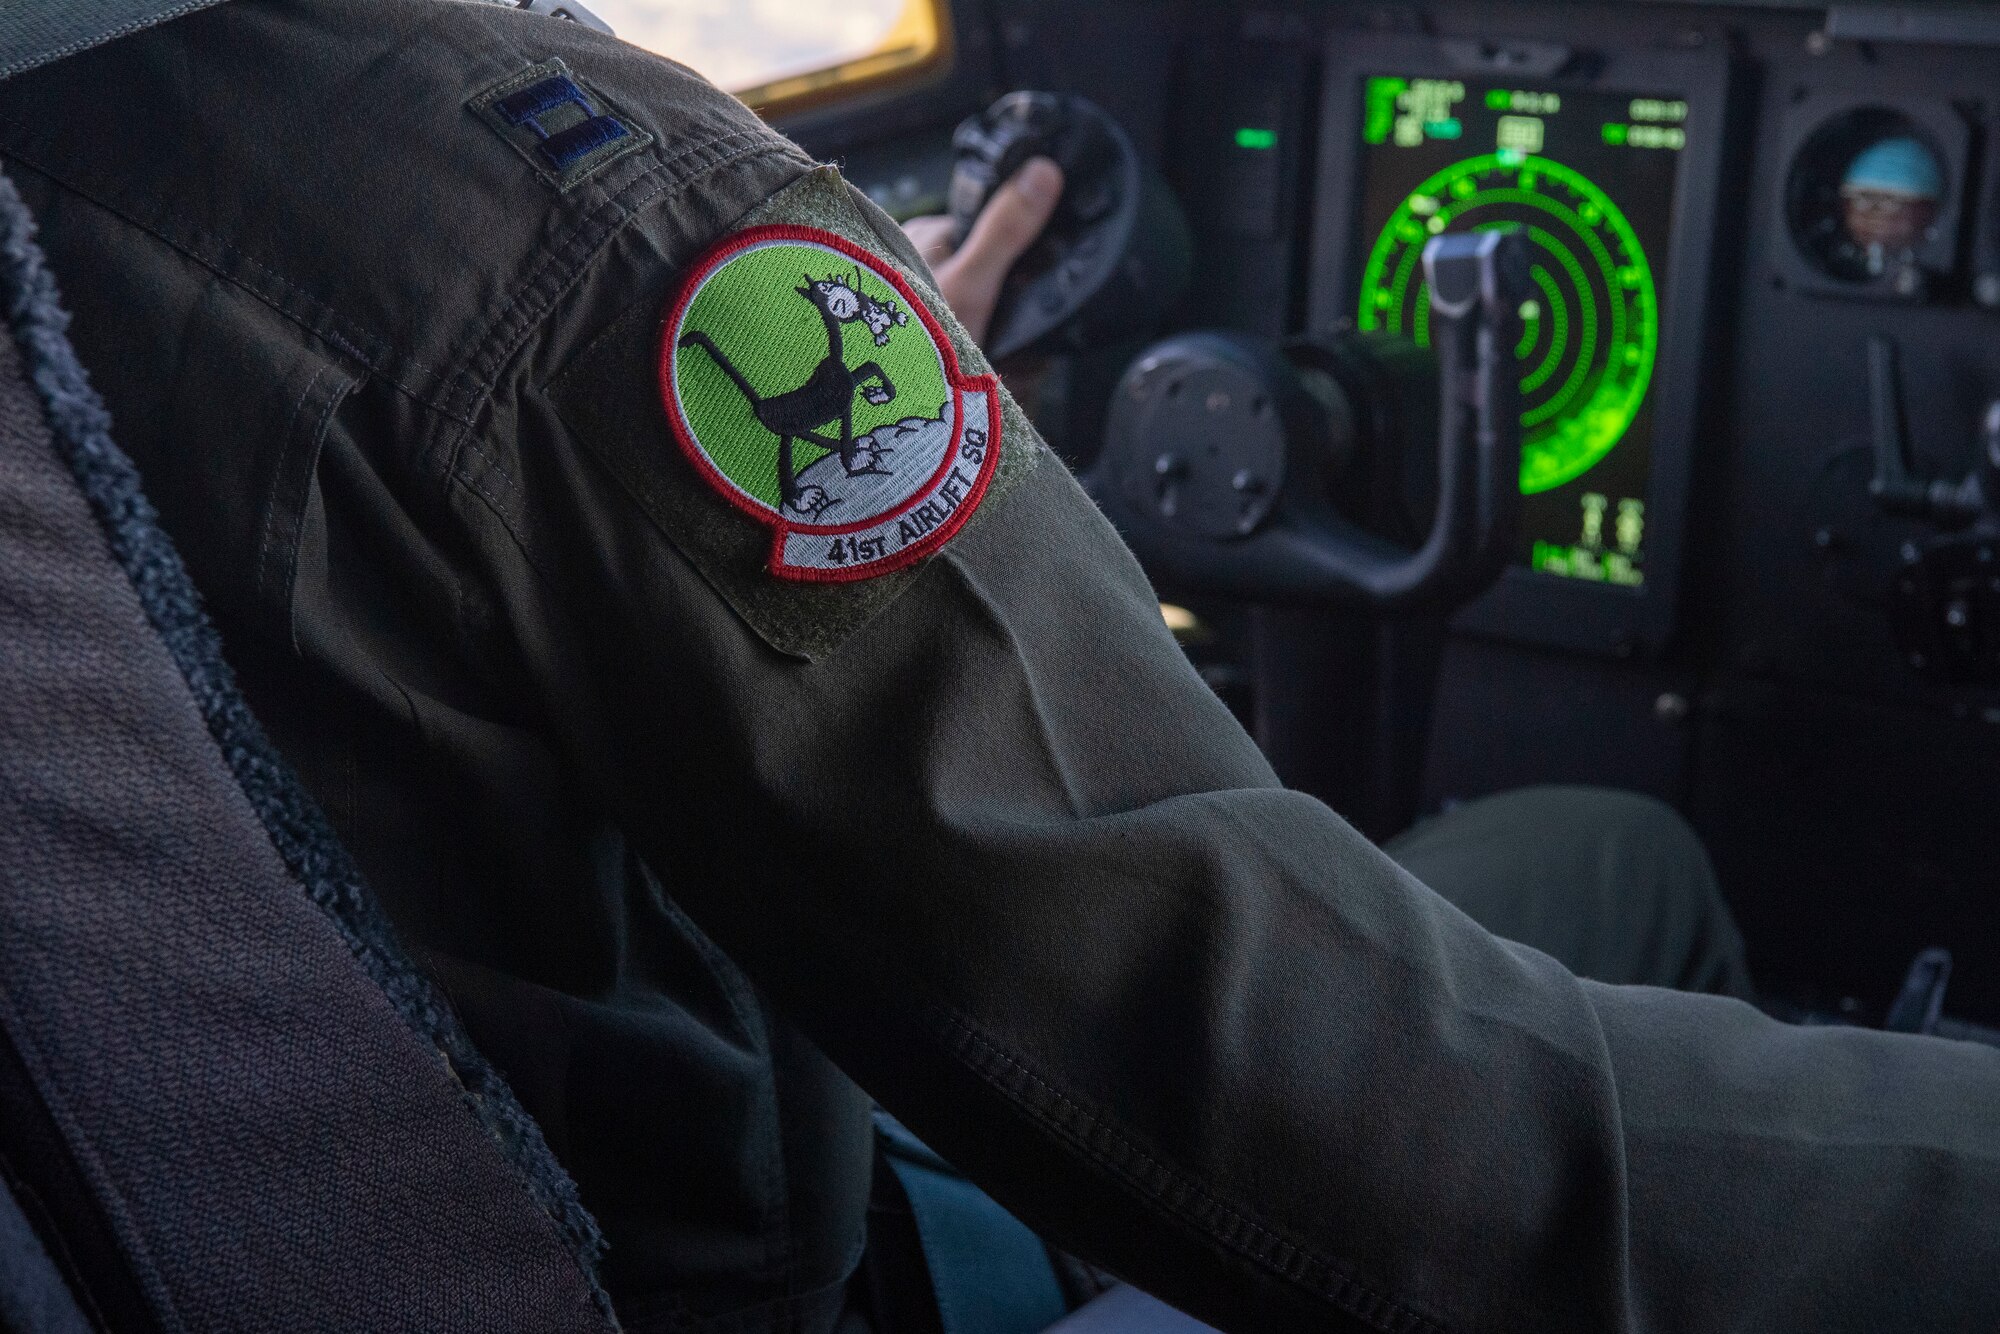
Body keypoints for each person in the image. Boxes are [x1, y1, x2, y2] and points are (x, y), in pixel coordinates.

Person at [1, 4, 1993, 1333]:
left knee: (1590, 850)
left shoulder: (96, 160)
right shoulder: (557, 211)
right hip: (813, 1274)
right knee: (1623, 871)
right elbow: (1409, 1142)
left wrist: (861, 451)